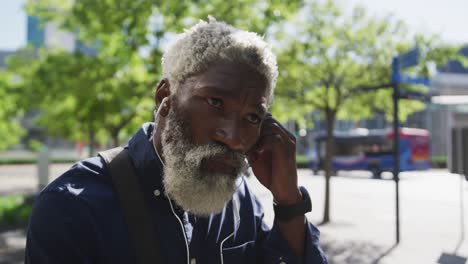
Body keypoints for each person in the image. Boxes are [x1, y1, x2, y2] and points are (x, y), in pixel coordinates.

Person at [25, 18, 328, 264]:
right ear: (164, 98)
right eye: (216, 103)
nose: (234, 138)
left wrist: (288, 202)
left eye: (252, 118)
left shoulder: (241, 200)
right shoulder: (74, 207)